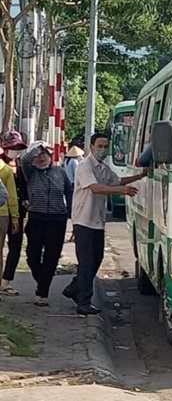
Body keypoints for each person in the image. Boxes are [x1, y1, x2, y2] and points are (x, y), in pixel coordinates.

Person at [63, 133, 145, 315]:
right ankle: (84, 302)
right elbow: (95, 188)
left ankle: (74, 289)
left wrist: (139, 176)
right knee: (86, 263)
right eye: (99, 146)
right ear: (91, 147)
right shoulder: (85, 166)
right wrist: (119, 191)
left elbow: (117, 180)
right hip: (83, 220)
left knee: (96, 260)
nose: (103, 149)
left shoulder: (103, 168)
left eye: (105, 146)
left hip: (97, 222)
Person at [18, 142, 72, 306]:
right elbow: (24, 159)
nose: (42, 158)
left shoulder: (59, 172)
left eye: (45, 155)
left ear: (51, 157)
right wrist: (39, 147)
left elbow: (69, 192)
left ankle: (41, 293)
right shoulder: (31, 173)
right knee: (32, 256)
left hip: (57, 220)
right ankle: (42, 279)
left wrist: (70, 213)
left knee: (52, 256)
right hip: (36, 219)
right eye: (39, 156)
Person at [0, 131, 27, 296]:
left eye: (18, 147)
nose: (15, 150)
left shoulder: (22, 166)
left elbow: (23, 190)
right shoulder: (3, 167)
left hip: (18, 212)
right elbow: (7, 194)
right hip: (5, 212)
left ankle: (6, 281)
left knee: (15, 247)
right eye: (12, 147)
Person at [64, 145, 84, 243]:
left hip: (67, 185)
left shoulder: (66, 161)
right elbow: (77, 175)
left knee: (70, 208)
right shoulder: (75, 162)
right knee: (76, 209)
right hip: (73, 185)